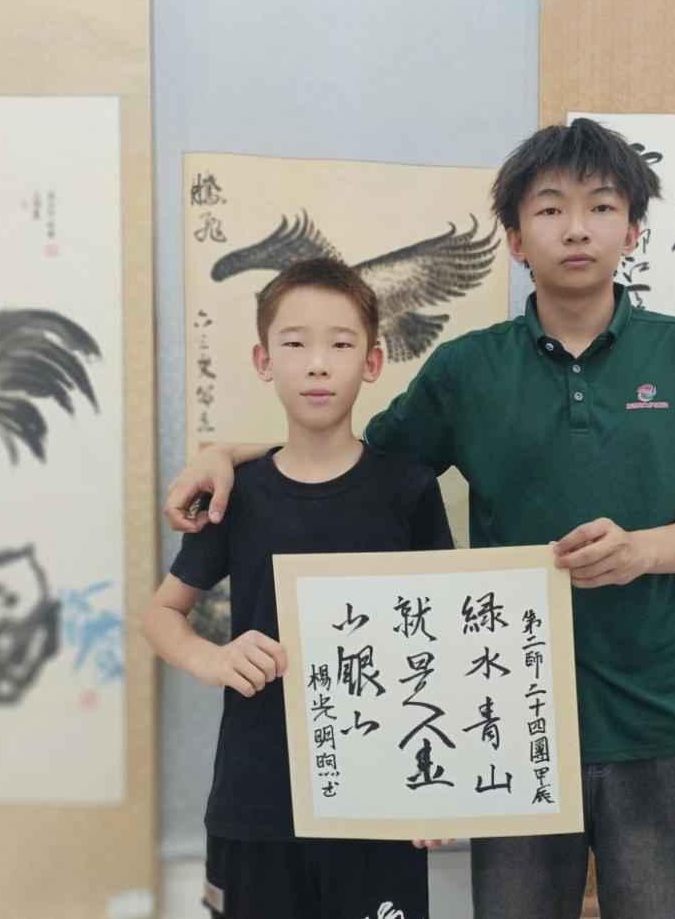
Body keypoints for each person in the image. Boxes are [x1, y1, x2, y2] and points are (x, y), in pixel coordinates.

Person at [163, 118, 675, 919]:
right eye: (549, 208)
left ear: (633, 229)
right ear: (513, 239)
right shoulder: (468, 368)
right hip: (508, 724)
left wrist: (643, 550)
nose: (575, 228)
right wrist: (231, 454)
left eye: (600, 206)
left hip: (659, 715)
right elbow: (349, 457)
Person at [142, 258, 455, 919]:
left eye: (340, 344)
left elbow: (444, 642)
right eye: (294, 344)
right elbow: (161, 614)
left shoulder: (408, 489)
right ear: (264, 360)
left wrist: (438, 785)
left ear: (372, 362)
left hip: (381, 798)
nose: (317, 364)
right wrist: (212, 659)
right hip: (258, 801)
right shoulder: (238, 493)